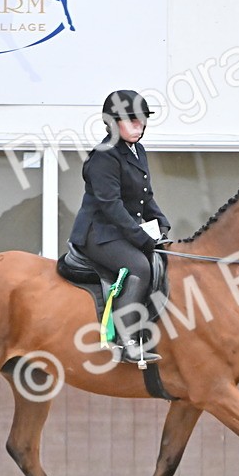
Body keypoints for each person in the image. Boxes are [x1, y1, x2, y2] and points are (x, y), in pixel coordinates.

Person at [68, 90, 171, 364]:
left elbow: (144, 196)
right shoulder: (104, 156)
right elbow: (110, 205)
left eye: (141, 121)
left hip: (118, 230)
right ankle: (125, 343)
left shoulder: (137, 151)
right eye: (131, 121)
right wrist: (141, 238)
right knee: (139, 267)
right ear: (112, 123)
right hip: (97, 233)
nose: (139, 126)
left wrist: (161, 222)